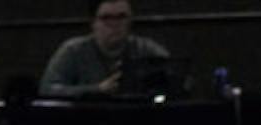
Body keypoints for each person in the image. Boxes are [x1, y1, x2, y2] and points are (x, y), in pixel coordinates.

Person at [39, 0, 171, 98]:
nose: (115, 25)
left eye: (121, 17)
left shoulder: (147, 49)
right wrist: (97, 89)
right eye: (106, 18)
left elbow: (172, 86)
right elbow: (47, 89)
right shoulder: (73, 50)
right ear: (93, 22)